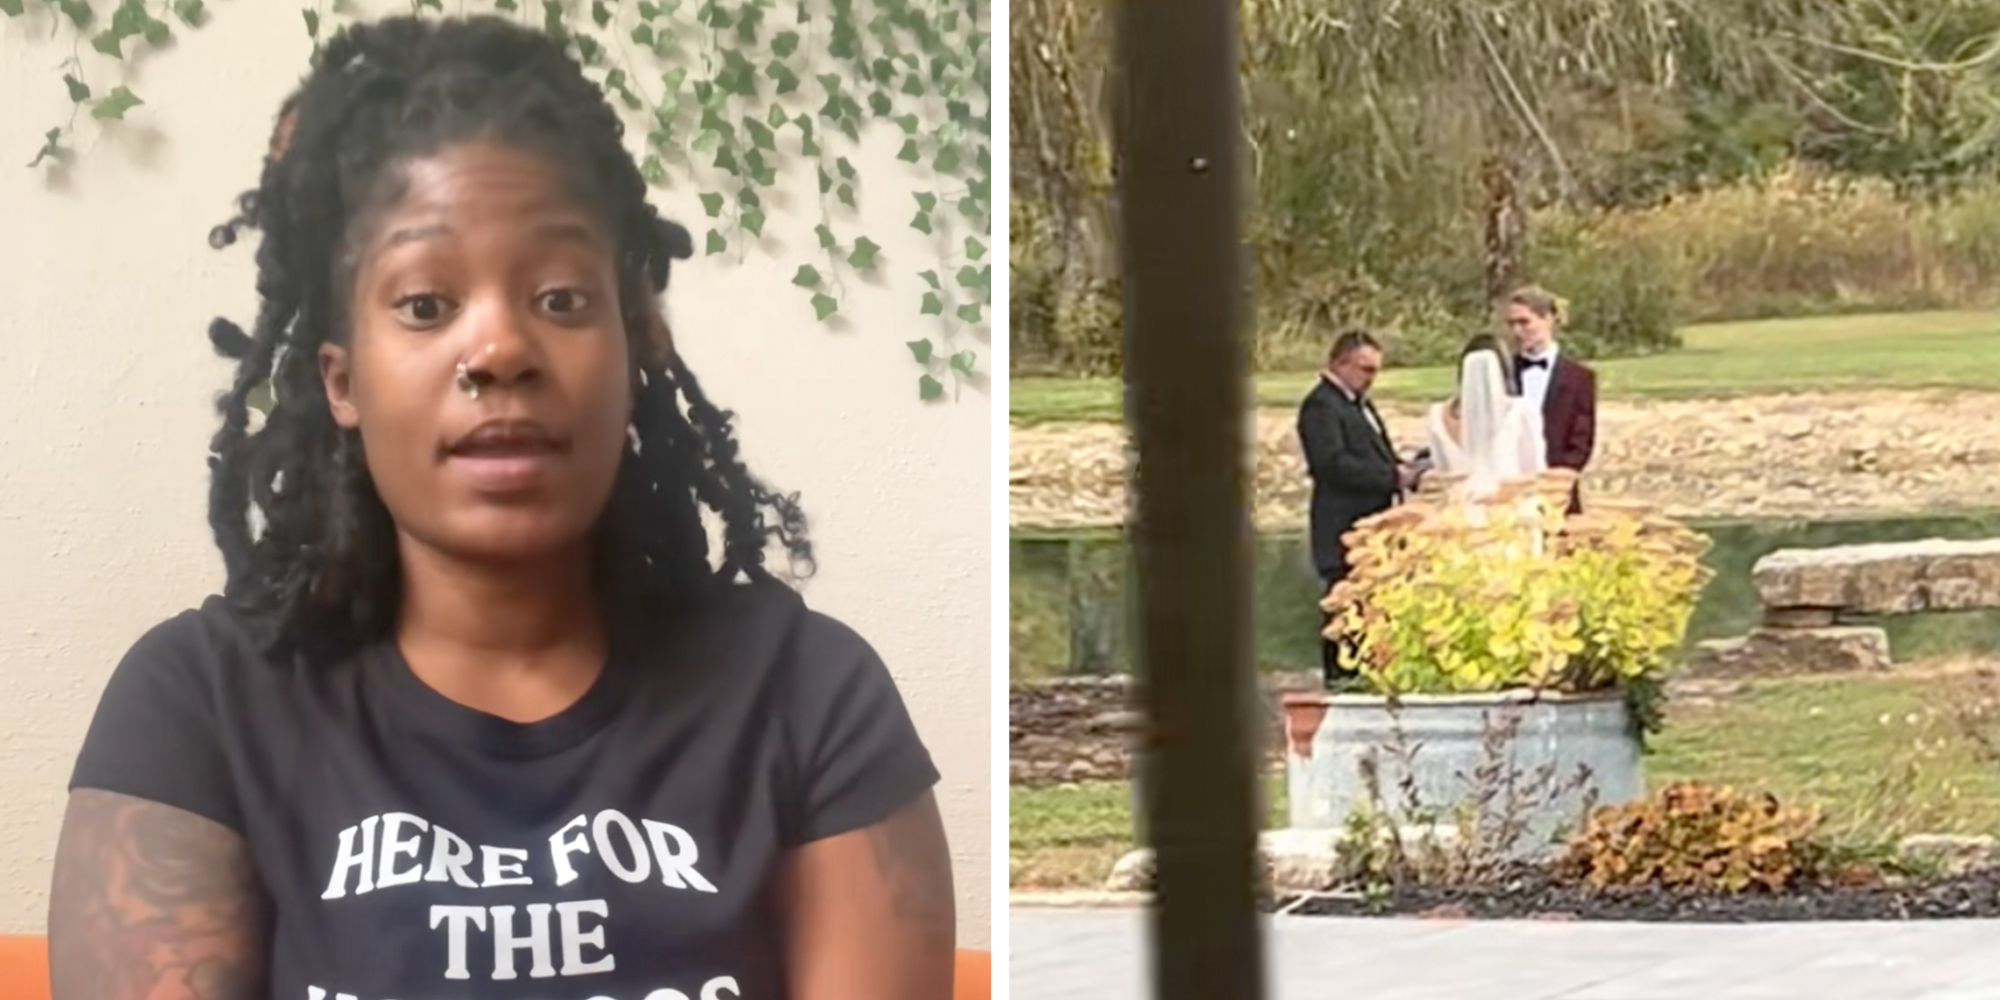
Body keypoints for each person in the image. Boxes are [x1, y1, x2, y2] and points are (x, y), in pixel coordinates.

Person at [47, 17, 954, 1000]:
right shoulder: (199, 709)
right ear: (341, 381)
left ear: (639, 339)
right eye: (426, 305)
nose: (499, 350)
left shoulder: (806, 698)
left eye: (561, 298)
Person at [1298, 329, 1415, 684]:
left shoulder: (1359, 405)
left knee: (1370, 607)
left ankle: (1367, 675)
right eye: (1366, 370)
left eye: (1375, 370)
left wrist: (1403, 468)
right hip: (1343, 526)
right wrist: (1391, 477)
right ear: (1340, 363)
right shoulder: (1321, 406)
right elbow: (1331, 464)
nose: (1372, 379)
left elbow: (1374, 452)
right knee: (1343, 608)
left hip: (1373, 527)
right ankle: (1339, 681)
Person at [1504, 285, 1596, 511]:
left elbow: (1581, 441)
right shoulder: (1503, 372)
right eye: (1512, 324)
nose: (1517, 331)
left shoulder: (1579, 378)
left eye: (1524, 322)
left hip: (1559, 491)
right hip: (1509, 491)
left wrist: (1555, 484)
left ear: (1547, 319)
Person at [1424, 333, 1547, 496]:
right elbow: (1535, 472)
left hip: (1471, 512)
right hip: (1501, 513)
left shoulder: (1437, 416)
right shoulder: (1520, 411)